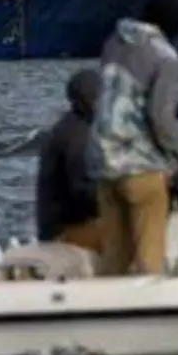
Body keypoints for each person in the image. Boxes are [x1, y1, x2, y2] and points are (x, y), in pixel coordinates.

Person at [91, 0, 178, 276]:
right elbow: (160, 117)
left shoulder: (114, 43)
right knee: (150, 260)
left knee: (114, 260)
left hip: (103, 162)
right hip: (140, 166)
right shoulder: (165, 56)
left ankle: (108, 316)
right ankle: (152, 316)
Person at [35, 68, 104, 252]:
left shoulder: (71, 127)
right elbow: (83, 194)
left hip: (56, 229)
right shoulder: (77, 138)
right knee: (132, 230)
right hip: (65, 232)